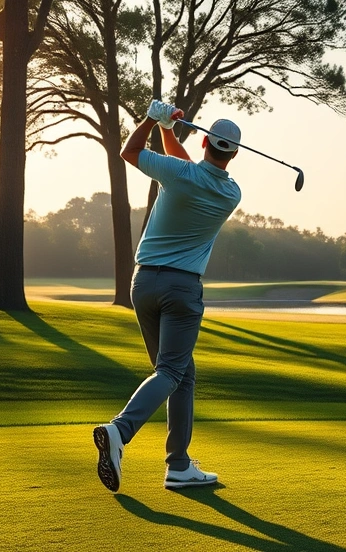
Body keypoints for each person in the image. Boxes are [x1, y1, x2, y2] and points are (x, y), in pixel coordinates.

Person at [93, 100, 242, 492]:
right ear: (235, 154)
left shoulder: (178, 174)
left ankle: (178, 464)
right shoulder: (231, 193)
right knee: (172, 372)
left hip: (142, 285)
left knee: (179, 374)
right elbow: (191, 169)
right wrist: (166, 131)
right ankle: (119, 431)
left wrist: (152, 120)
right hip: (182, 289)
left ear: (206, 141)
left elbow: (129, 152)